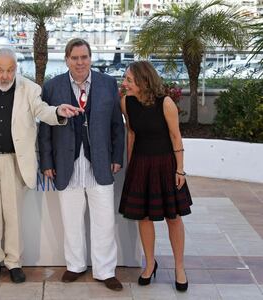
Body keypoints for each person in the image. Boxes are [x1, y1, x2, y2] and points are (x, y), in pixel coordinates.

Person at [0, 47, 81, 284]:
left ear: (16, 68)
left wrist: (59, 111)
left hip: (16, 161)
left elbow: (43, 111)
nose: (4, 76)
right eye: (0, 70)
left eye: (9, 70)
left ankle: (14, 262)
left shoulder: (30, 88)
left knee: (14, 215)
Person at [38, 38, 125, 291]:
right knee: (71, 220)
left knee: (104, 221)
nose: (79, 62)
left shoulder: (108, 84)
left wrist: (117, 157)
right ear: (66, 59)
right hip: (66, 165)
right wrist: (46, 162)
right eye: (74, 58)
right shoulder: (52, 87)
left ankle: (105, 270)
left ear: (90, 58)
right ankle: (75, 266)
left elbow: (116, 126)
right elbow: (45, 128)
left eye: (84, 57)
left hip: (101, 163)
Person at [118, 61, 193, 292]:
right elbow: (131, 132)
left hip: (165, 165)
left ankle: (180, 267)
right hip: (141, 164)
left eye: (129, 80)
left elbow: (176, 137)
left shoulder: (166, 103)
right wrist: (131, 165)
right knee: (144, 217)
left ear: (144, 81)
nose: (124, 84)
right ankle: (150, 263)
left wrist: (180, 170)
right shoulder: (126, 102)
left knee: (174, 218)